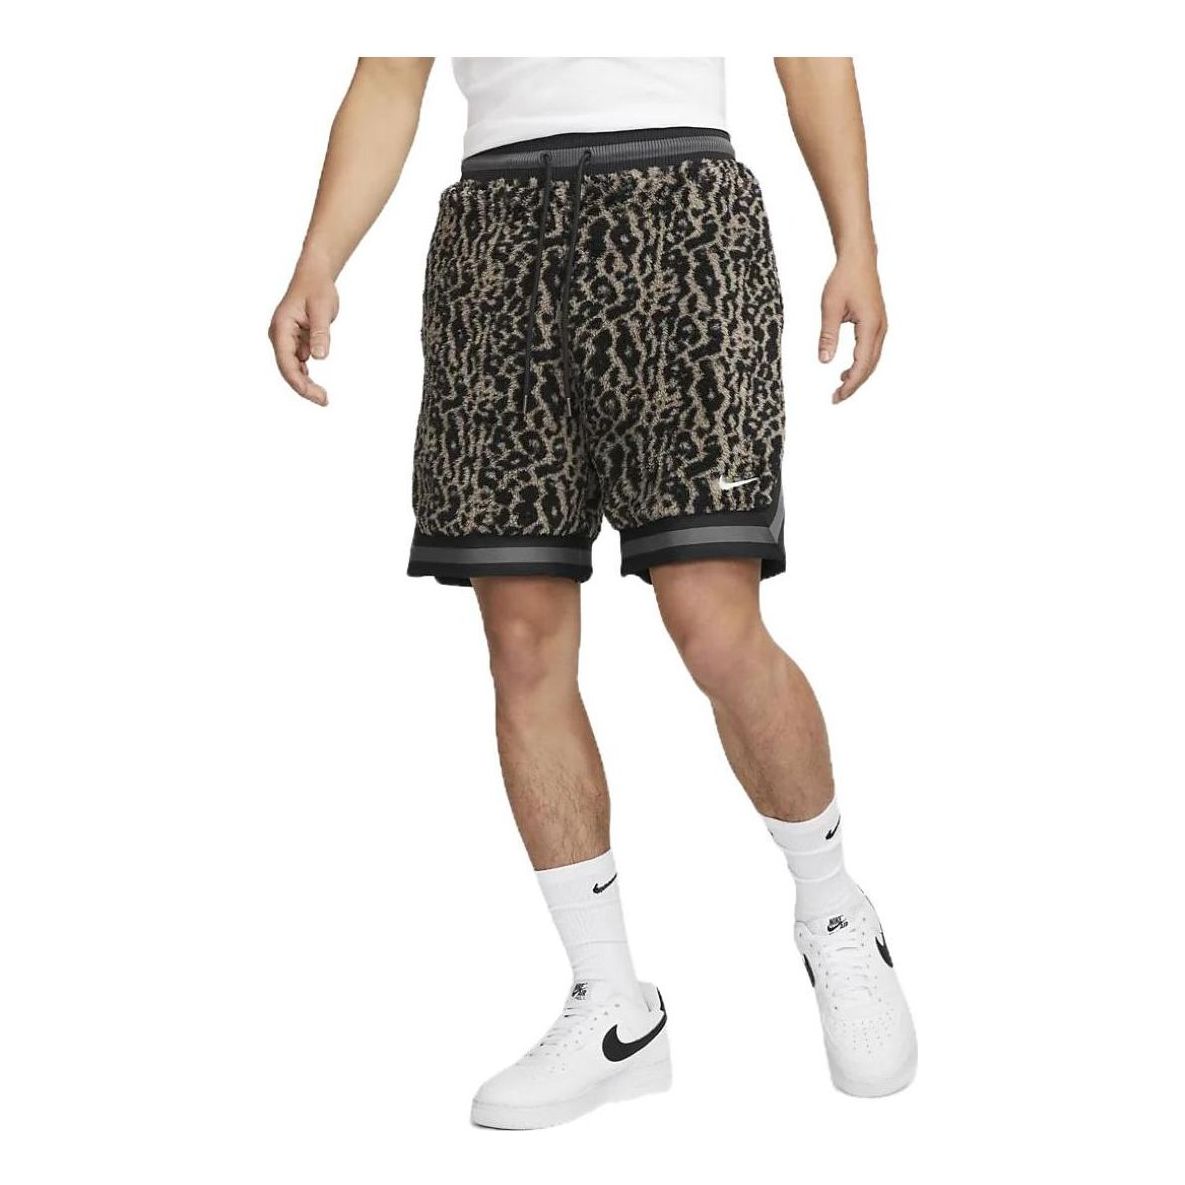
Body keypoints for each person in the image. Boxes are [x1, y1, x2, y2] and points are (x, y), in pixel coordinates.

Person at [269, 56, 916, 1129]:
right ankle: (613, 1002)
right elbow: (389, 76)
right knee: (522, 643)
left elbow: (808, 44)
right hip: (493, 240)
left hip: (684, 218)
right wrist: (319, 256)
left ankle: (834, 910)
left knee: (711, 619)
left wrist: (857, 241)